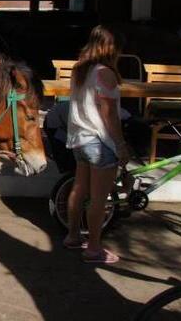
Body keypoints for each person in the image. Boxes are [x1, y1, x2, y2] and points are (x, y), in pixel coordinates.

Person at [63, 25, 131, 264]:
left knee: (78, 190)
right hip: (100, 142)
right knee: (99, 199)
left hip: (80, 140)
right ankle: (94, 248)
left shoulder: (79, 69)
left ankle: (72, 236)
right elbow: (109, 115)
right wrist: (121, 146)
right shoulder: (105, 73)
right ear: (111, 48)